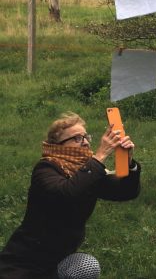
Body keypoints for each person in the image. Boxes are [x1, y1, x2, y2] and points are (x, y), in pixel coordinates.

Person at [0, 112, 140, 279]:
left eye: (86, 137)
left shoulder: (88, 171)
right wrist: (100, 156)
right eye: (77, 138)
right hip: (24, 263)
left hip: (57, 260)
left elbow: (125, 192)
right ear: (58, 145)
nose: (86, 142)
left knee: (87, 265)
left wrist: (129, 163)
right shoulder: (46, 169)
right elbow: (67, 194)